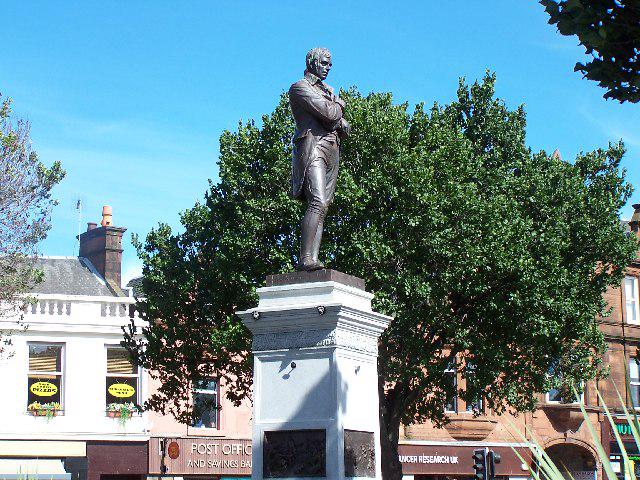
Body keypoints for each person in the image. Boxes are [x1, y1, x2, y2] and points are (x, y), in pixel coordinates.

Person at [289, 47, 350, 271]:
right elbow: (331, 114)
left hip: (332, 149)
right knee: (317, 201)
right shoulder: (300, 88)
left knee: (324, 205)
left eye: (330, 64)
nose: (328, 67)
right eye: (324, 63)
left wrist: (335, 113)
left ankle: (312, 259)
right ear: (312, 62)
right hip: (313, 146)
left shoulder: (326, 91)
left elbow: (344, 126)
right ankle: (305, 259)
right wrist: (339, 105)